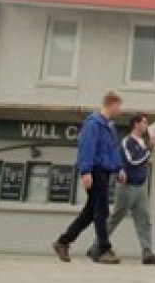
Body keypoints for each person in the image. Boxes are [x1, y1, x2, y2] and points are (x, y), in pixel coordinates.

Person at [53, 92, 125, 264]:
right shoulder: (94, 124)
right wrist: (85, 172)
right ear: (112, 104)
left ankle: (63, 242)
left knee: (90, 212)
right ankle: (103, 249)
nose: (120, 110)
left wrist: (119, 168)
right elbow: (86, 148)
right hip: (95, 171)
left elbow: (113, 151)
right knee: (101, 210)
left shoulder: (110, 127)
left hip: (105, 172)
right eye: (119, 106)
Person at [87, 112, 155, 265]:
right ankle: (96, 247)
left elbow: (142, 160)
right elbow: (132, 161)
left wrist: (148, 149)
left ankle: (147, 254)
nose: (146, 126)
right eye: (144, 123)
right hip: (126, 187)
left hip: (140, 187)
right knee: (115, 218)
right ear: (136, 124)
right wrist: (149, 150)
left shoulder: (142, 142)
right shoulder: (127, 142)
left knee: (144, 220)